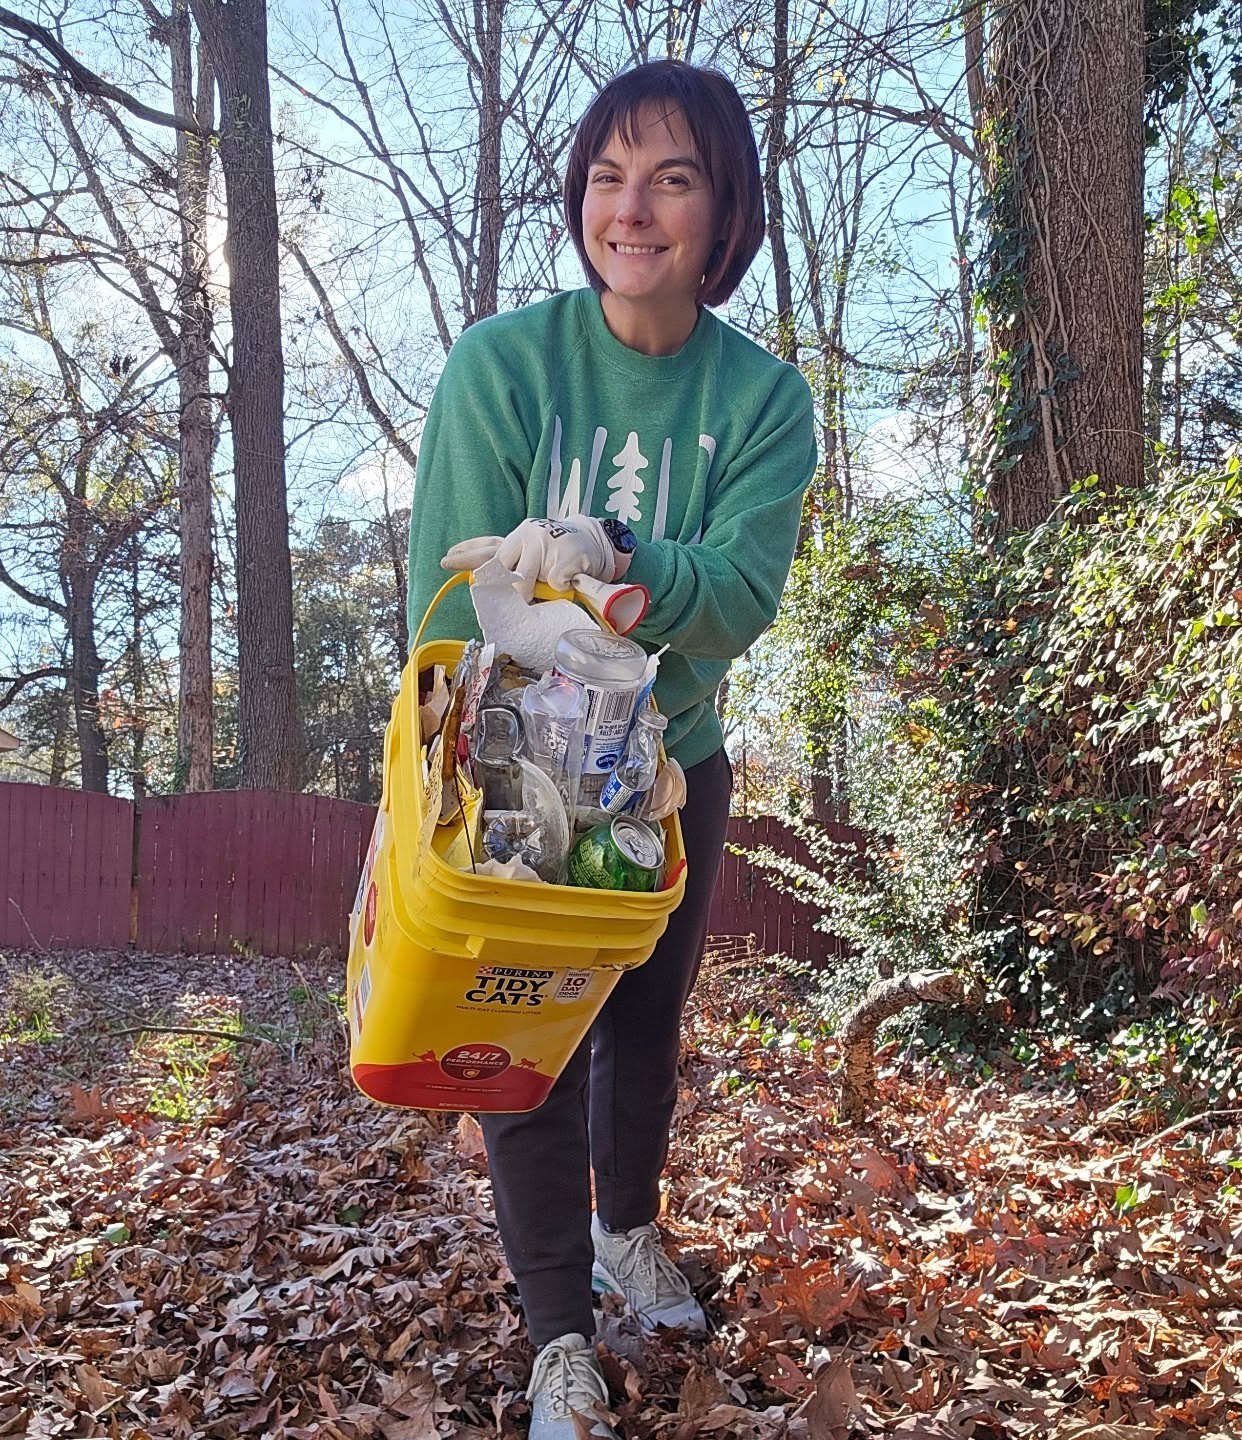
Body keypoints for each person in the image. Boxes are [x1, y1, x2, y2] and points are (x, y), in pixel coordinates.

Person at [405, 59, 817, 1440]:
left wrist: (618, 554)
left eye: (672, 178)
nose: (629, 208)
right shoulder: (503, 364)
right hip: (516, 763)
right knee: (527, 1040)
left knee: (640, 1028)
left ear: (721, 214)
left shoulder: (763, 402)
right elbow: (448, 600)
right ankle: (557, 1337)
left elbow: (744, 594)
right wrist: (451, 761)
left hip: (670, 764)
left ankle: (627, 1229)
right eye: (604, 176)